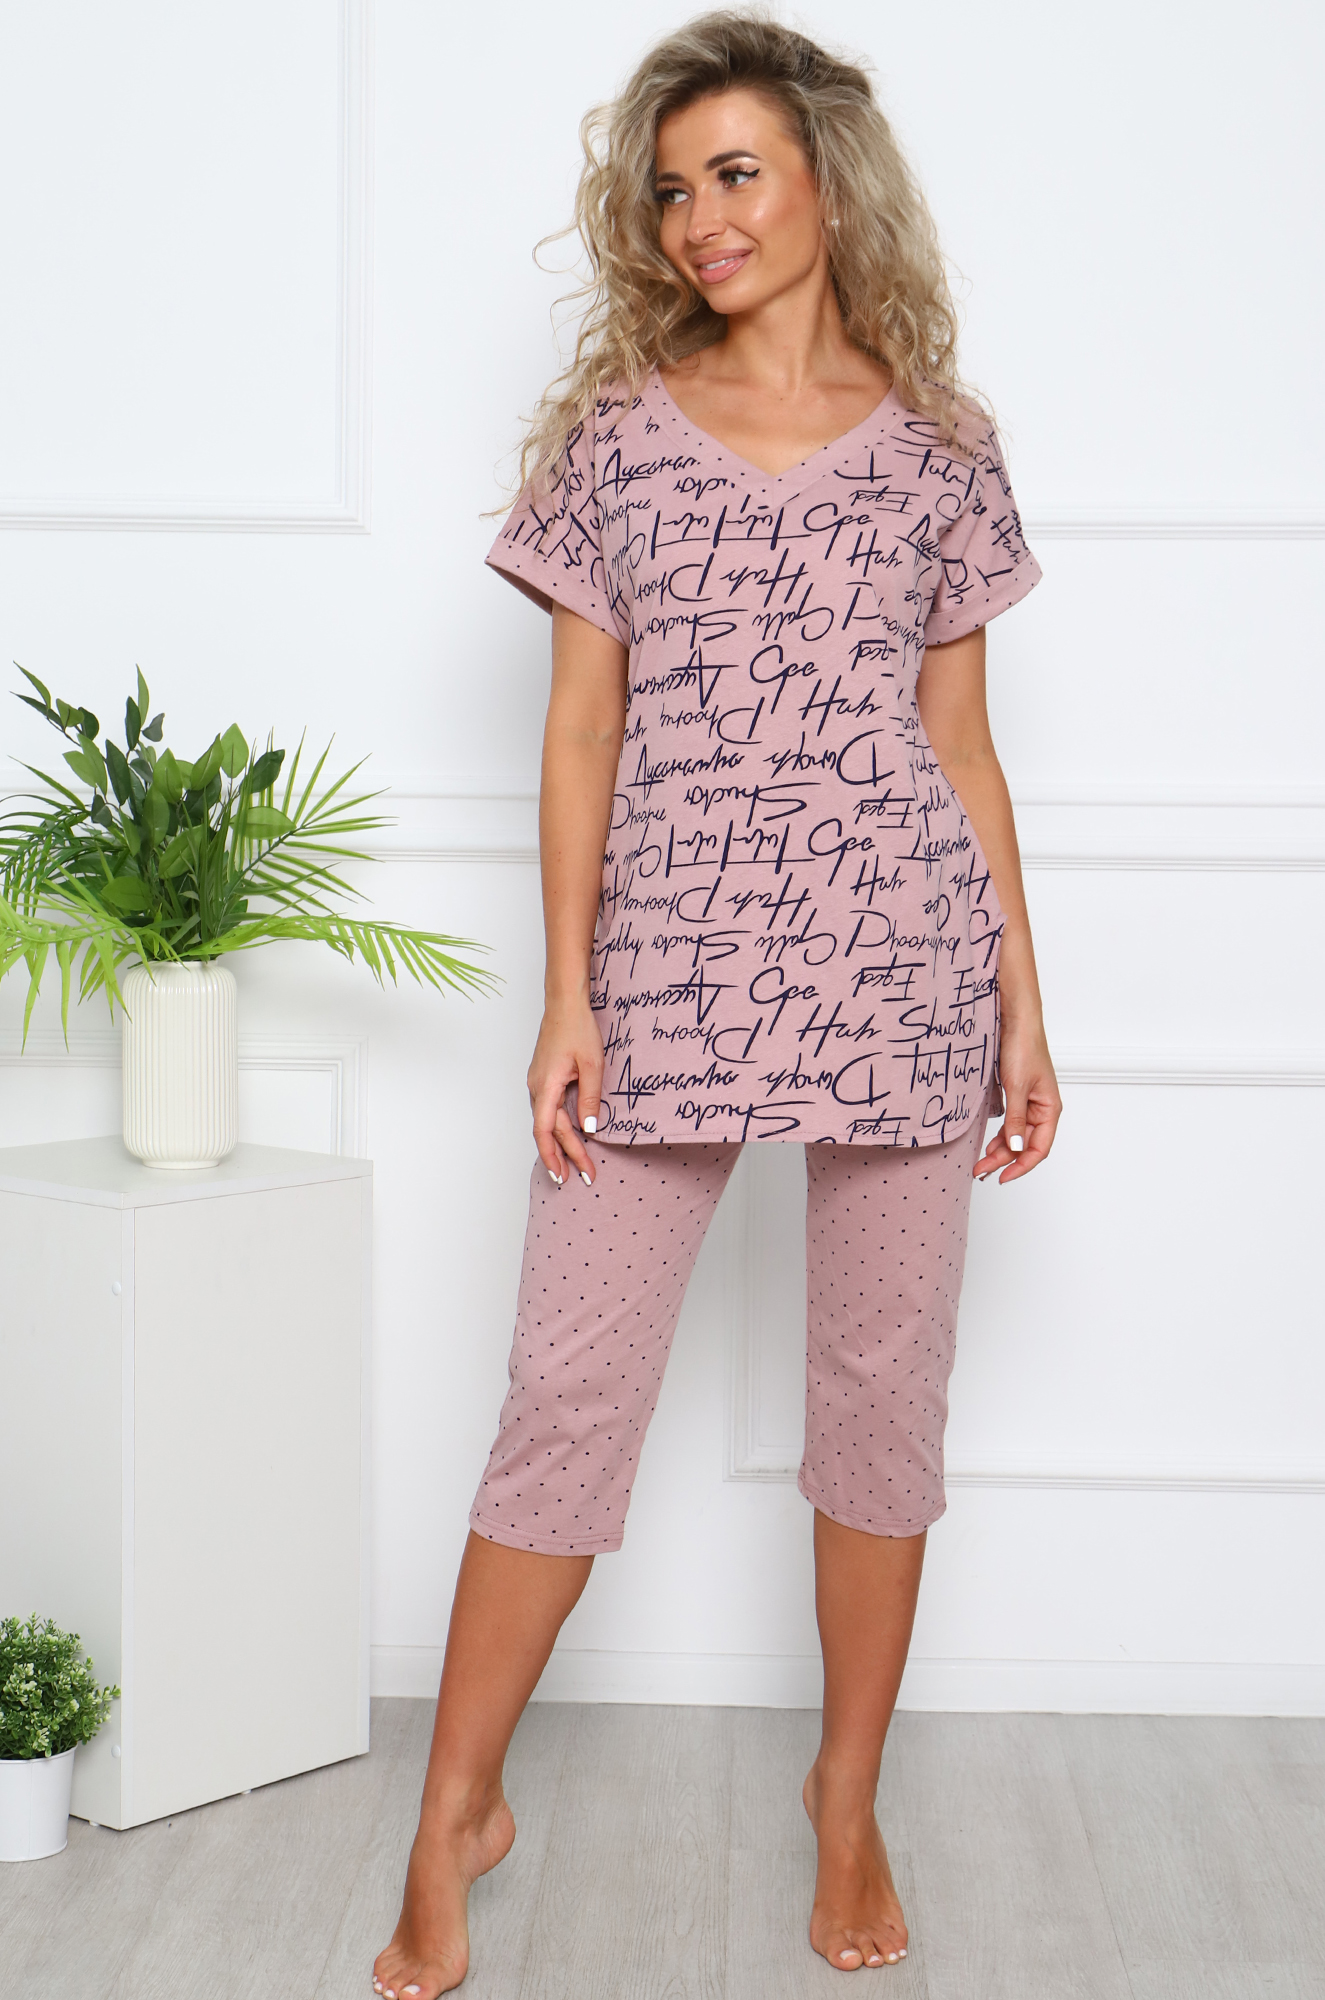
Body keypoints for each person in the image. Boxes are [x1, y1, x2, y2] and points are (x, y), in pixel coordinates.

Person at [374, 12, 1061, 1994]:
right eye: (673, 189)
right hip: (663, 981)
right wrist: (564, 993)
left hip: (904, 974)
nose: (700, 219)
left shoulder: (943, 446)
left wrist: (1023, 1002)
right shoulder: (618, 439)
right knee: (564, 1402)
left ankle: (845, 1796)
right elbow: (580, 731)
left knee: (879, 1406)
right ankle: (452, 1813)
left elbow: (963, 749)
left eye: (736, 173)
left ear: (830, 179)